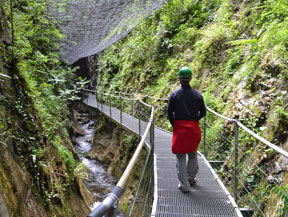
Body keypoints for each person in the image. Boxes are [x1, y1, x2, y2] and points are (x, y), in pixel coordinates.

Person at [167, 66, 206, 193]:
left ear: (179, 79)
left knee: (181, 156)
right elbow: (203, 112)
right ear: (190, 78)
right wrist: (195, 119)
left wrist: (176, 124)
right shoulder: (198, 95)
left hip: (180, 129)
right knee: (193, 153)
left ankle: (184, 186)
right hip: (193, 128)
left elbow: (169, 113)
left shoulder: (174, 95)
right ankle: (191, 178)